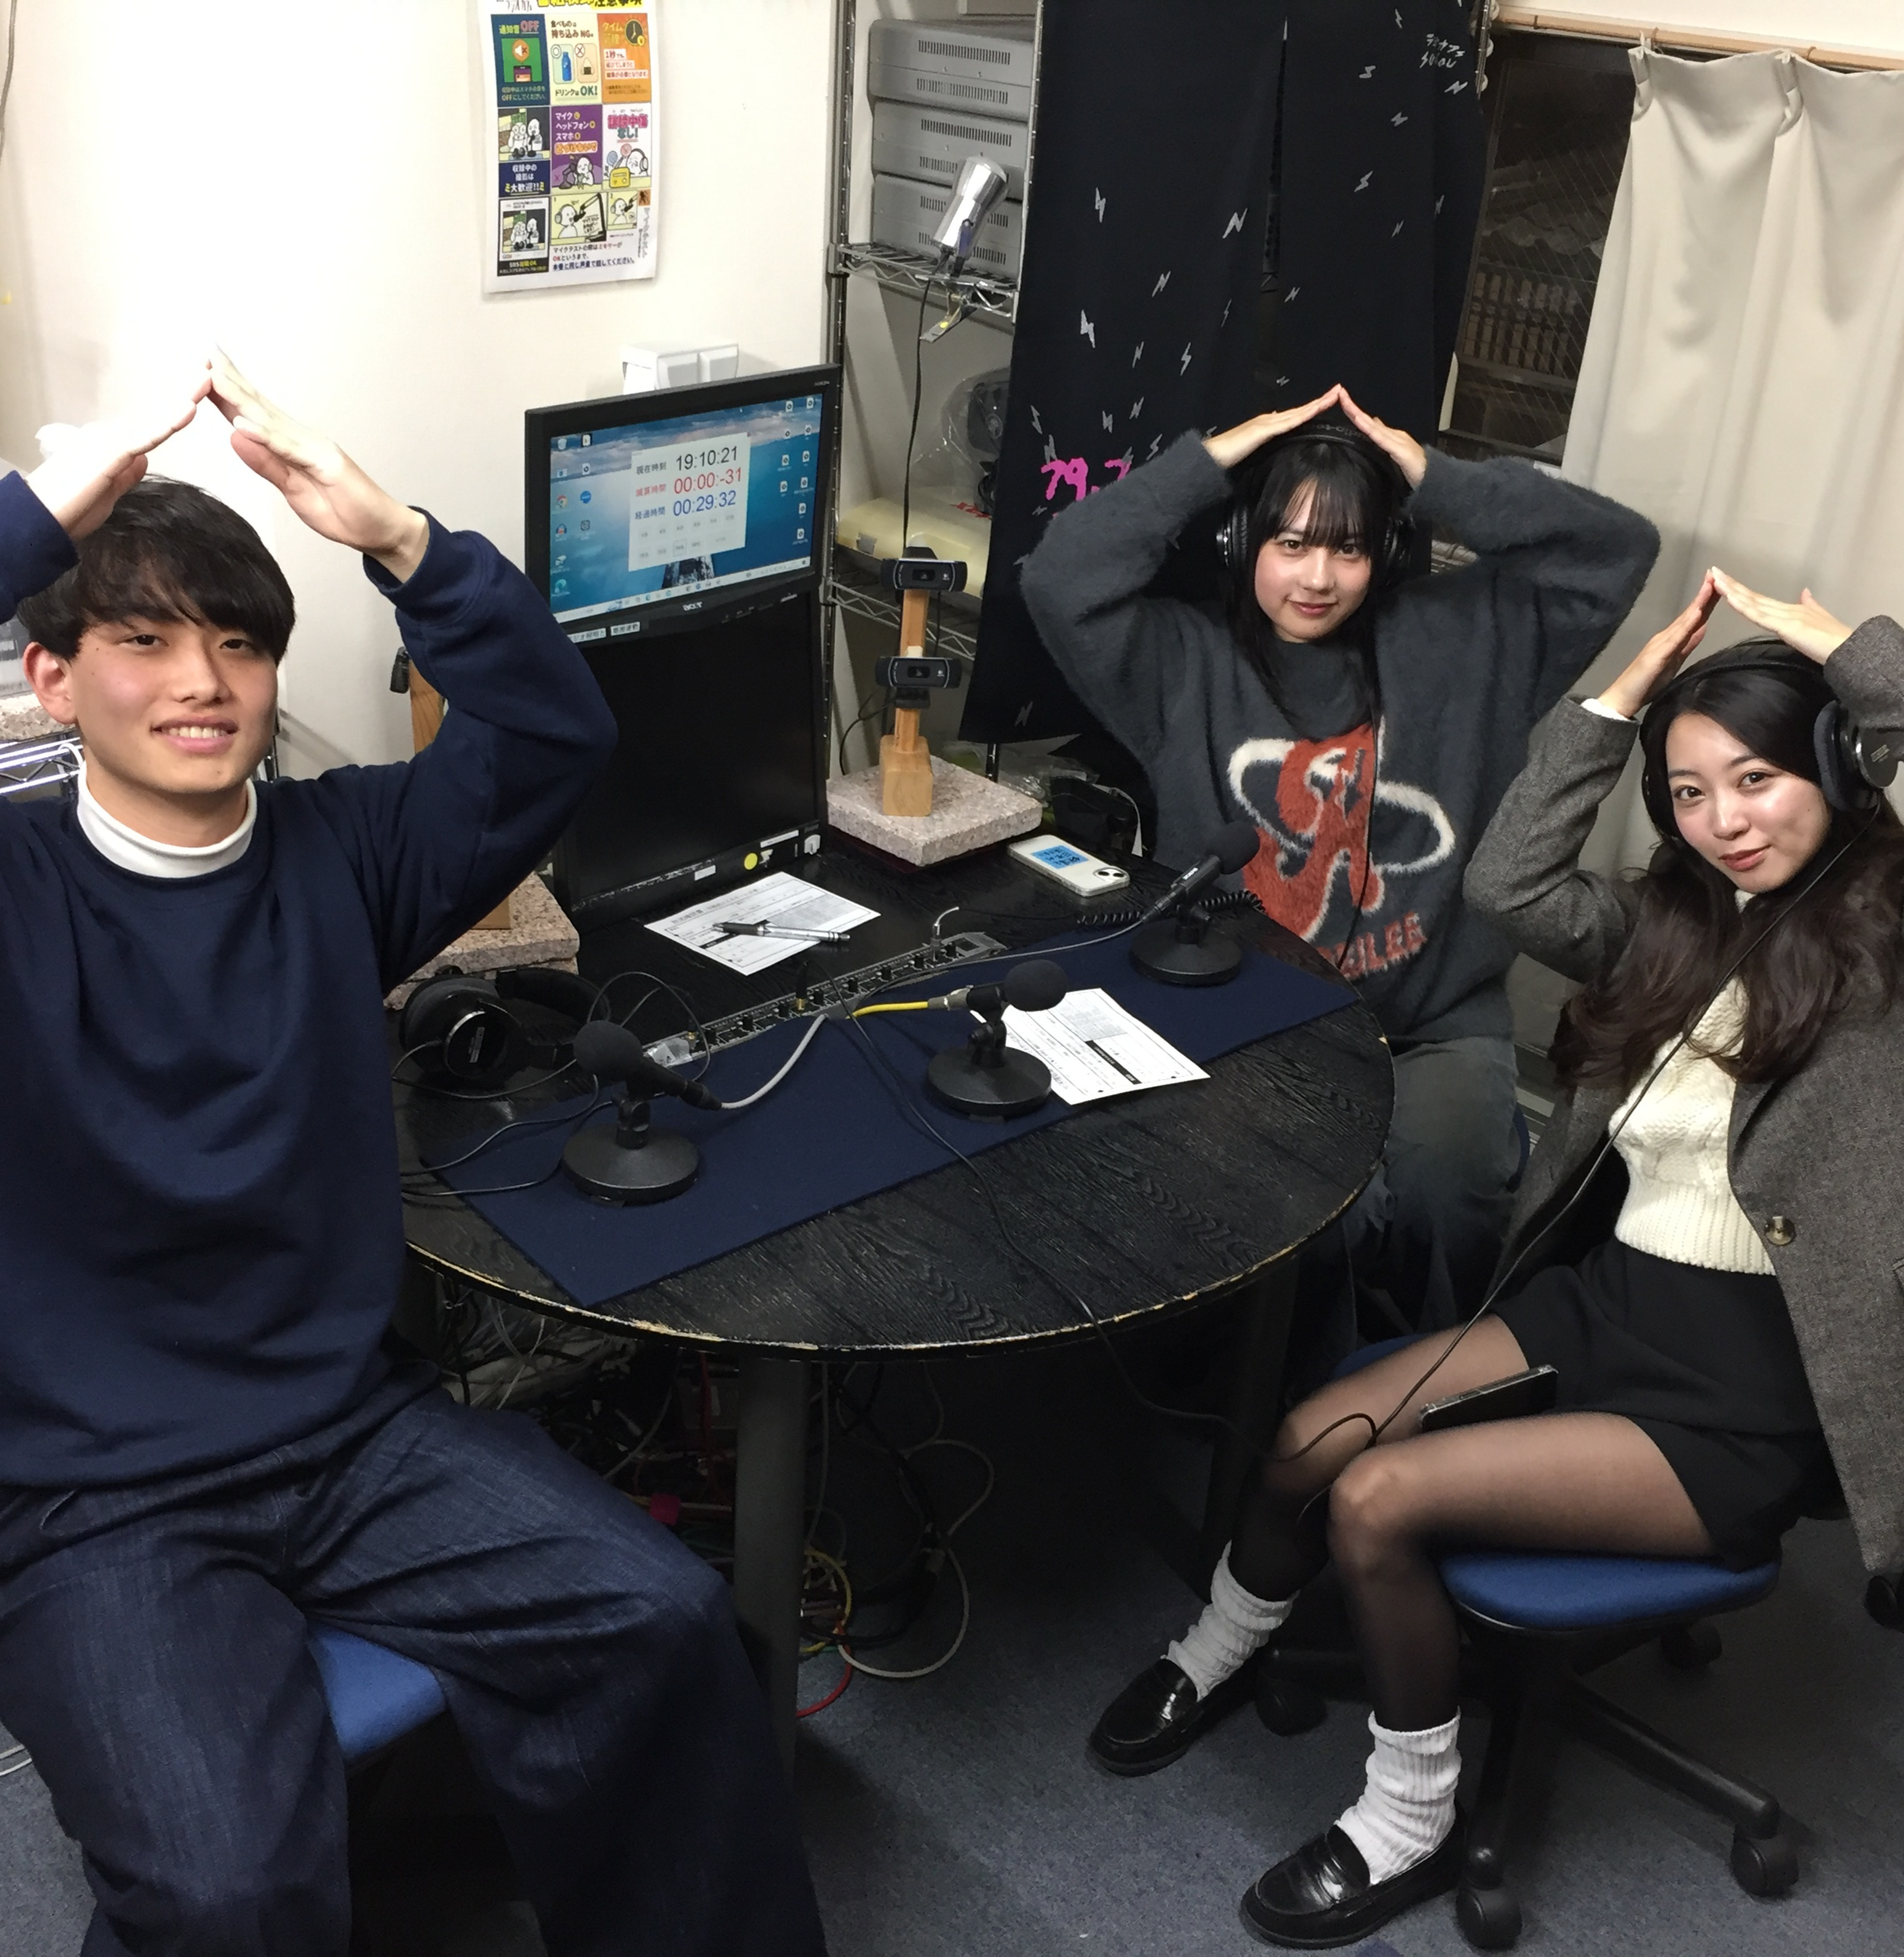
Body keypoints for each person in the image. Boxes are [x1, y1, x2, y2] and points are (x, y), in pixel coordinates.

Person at [0, 359, 826, 1957]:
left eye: (241, 642)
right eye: (144, 641)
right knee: (227, 1884)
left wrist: (397, 538)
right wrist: (35, 517)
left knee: (663, 1625)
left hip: (348, 1436)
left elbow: (557, 725)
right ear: (52, 679)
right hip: (94, 1498)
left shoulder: (348, 851)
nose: (203, 681)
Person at [1089, 570, 1904, 1947]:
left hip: (1745, 1394)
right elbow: (1509, 882)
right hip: (1609, 1309)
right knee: (1312, 1436)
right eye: (1689, 794)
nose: (1725, 821)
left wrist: (1850, 653)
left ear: (1841, 771)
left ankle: (1409, 1817)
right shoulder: (1675, 925)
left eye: (1758, 781)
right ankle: (1223, 1647)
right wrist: (1619, 702)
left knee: (1379, 1500)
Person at [1020, 384, 1659, 1338]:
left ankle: (1426, 1388)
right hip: (1255, 1021)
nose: (1317, 577)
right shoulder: (1177, 662)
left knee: (1454, 1196)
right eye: (1291, 544)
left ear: (1387, 554)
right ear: (1243, 545)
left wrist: (1432, 477)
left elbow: (1616, 548)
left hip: (1436, 1023)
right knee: (1319, 1222)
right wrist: (1216, 458)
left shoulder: (1468, 641)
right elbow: (1058, 576)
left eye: (1349, 548)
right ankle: (1301, 1400)